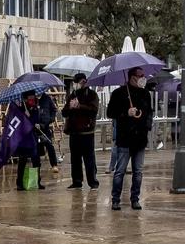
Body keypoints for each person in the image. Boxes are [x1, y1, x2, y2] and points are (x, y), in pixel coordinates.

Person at [106, 68, 153, 209]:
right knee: (120, 171)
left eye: (144, 76)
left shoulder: (145, 94)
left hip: (140, 139)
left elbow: (149, 112)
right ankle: (115, 199)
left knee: (138, 172)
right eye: (140, 76)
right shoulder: (119, 93)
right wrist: (125, 113)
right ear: (132, 77)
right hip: (124, 138)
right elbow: (110, 112)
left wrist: (147, 125)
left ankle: (135, 198)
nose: (142, 78)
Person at [63, 78, 100, 188]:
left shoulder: (92, 95)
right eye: (76, 82)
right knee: (75, 158)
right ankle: (77, 181)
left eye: (80, 82)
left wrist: (80, 106)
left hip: (87, 132)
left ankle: (92, 181)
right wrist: (70, 106)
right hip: (74, 132)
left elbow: (94, 110)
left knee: (89, 158)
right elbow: (64, 112)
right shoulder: (72, 95)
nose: (78, 84)